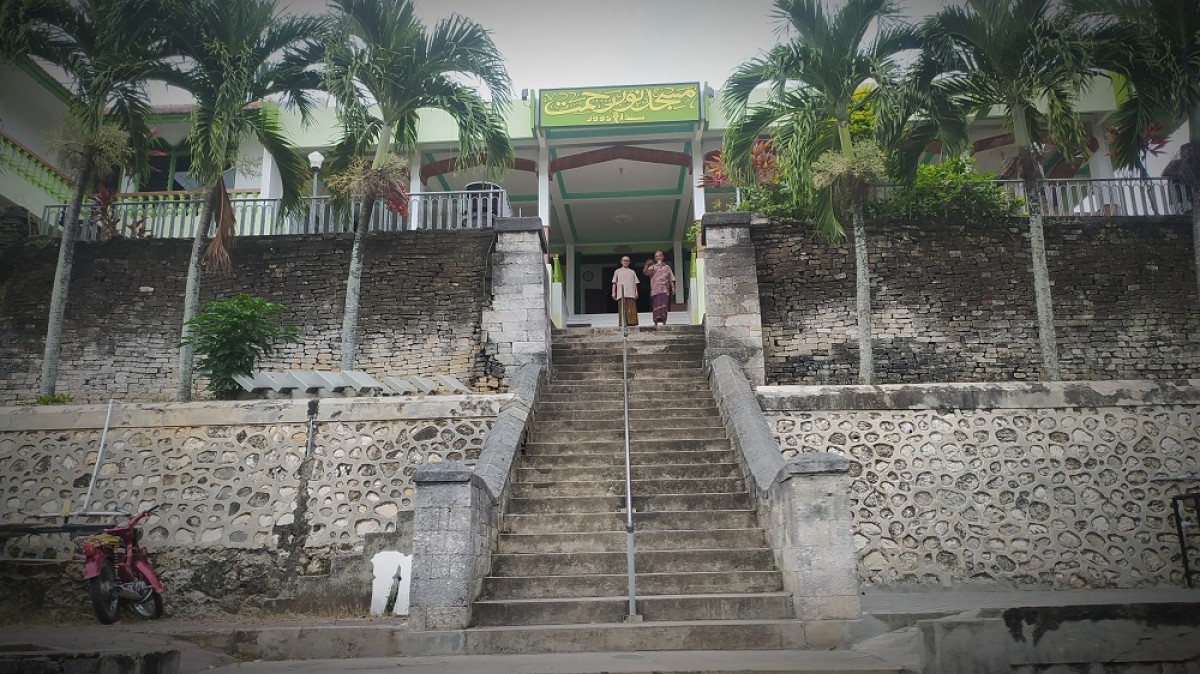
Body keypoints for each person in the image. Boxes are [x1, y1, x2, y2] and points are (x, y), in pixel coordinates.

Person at [642, 250, 675, 326]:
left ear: (663, 257)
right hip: (655, 290)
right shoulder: (653, 267)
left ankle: (664, 321)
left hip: (665, 289)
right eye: (656, 256)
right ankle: (656, 322)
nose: (658, 257)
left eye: (660, 255)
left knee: (664, 306)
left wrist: (673, 287)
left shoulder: (667, 267)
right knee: (656, 306)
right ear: (655, 258)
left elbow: (671, 278)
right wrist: (647, 264)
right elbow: (645, 272)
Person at [611, 255, 639, 327]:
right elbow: (614, 282)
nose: (626, 262)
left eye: (627, 261)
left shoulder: (632, 272)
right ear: (621, 262)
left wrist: (636, 292)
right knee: (622, 308)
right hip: (621, 293)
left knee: (631, 308)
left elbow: (635, 282)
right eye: (624, 260)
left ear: (629, 262)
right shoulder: (617, 271)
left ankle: (632, 322)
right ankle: (622, 322)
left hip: (631, 292)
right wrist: (613, 292)